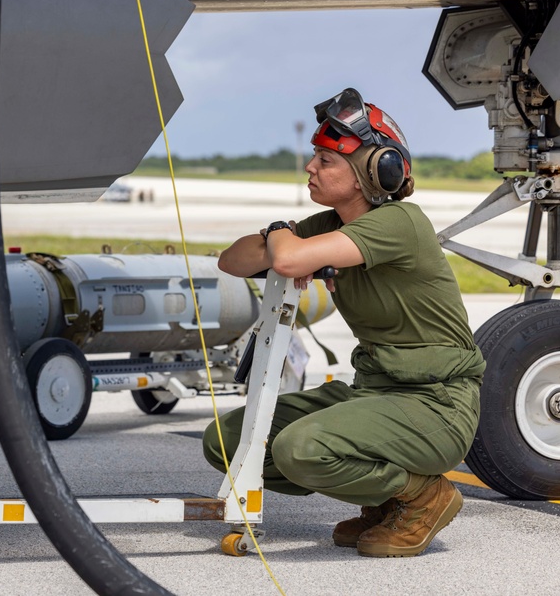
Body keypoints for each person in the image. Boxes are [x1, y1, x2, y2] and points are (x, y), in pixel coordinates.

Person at [203, 88, 484, 558]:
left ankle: (422, 495)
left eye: (326, 160)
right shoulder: (328, 225)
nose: (311, 167)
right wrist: (284, 241)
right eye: (315, 156)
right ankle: (386, 498)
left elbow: (286, 259)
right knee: (227, 441)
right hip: (374, 393)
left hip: (436, 403)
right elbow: (231, 261)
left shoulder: (401, 223)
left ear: (372, 173)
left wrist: (280, 239)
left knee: (298, 449)